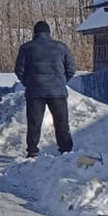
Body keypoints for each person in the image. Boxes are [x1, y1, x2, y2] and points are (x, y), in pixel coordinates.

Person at [14, 20, 76, 157]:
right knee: (61, 122)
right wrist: (61, 81)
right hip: (57, 91)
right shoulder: (61, 47)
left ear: (34, 33)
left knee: (34, 123)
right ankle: (66, 150)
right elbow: (71, 69)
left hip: (35, 91)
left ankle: (32, 151)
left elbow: (19, 70)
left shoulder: (26, 48)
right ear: (49, 32)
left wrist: (29, 82)